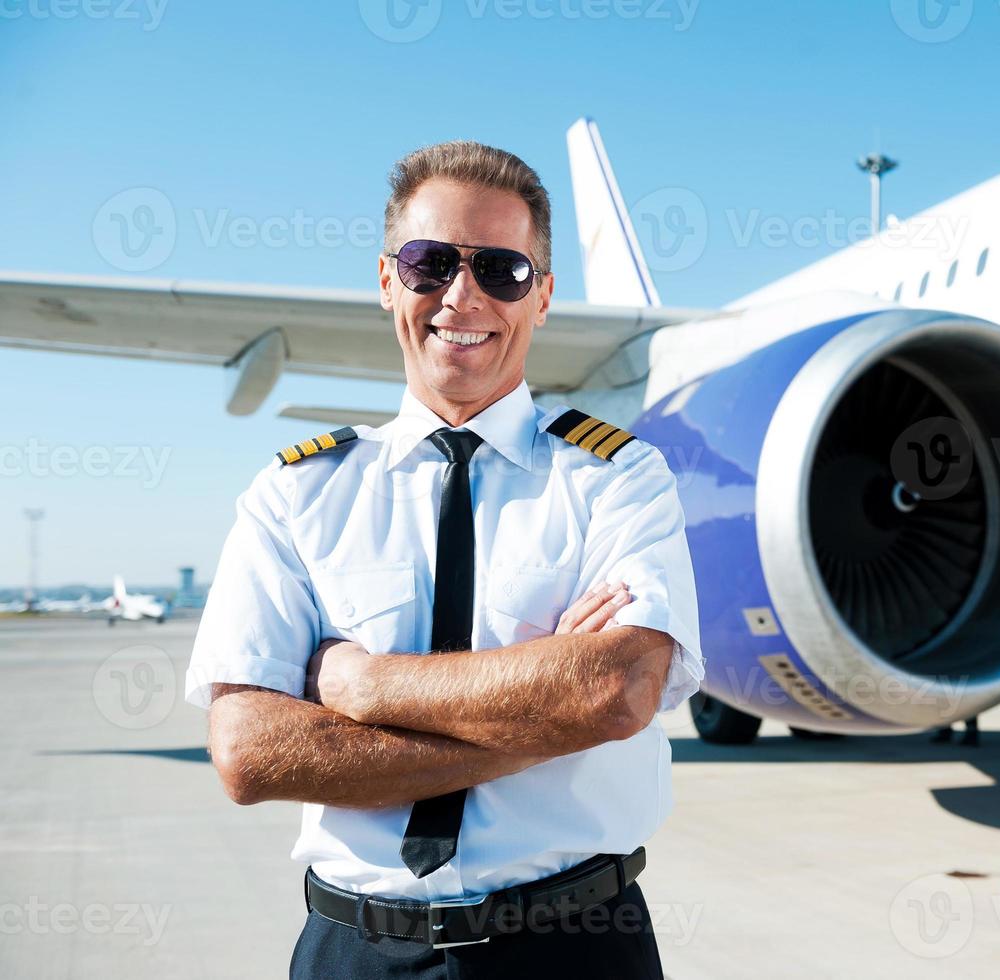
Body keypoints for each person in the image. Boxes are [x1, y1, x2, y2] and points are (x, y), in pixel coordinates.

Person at [184, 140, 703, 978]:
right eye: (431, 263)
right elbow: (249, 752)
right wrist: (542, 711)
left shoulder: (619, 479)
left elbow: (614, 692)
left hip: (574, 947)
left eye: (501, 270)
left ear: (542, 298)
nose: (462, 295)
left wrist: (361, 686)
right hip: (354, 949)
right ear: (388, 279)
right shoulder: (295, 494)